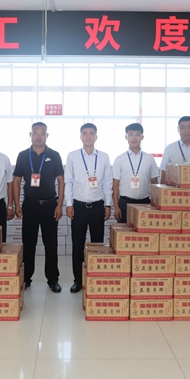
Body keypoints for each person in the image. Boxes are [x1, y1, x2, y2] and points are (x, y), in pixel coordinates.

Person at [13, 122, 65, 293]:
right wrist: (17, 204)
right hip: (30, 205)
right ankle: (26, 278)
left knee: (51, 244)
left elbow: (61, 181)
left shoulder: (54, 155)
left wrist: (59, 205)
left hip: (50, 205)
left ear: (47, 136)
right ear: (30, 135)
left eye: (42, 133)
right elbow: (16, 181)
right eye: (35, 132)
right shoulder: (22, 155)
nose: (39, 136)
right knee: (29, 244)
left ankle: (53, 279)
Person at [65, 123, 113, 293]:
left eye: (91, 133)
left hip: (98, 207)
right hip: (78, 207)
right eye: (85, 133)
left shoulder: (104, 157)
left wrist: (108, 204)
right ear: (80, 137)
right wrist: (69, 204)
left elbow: (108, 182)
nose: (88, 136)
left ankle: (96, 277)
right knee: (77, 245)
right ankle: (78, 280)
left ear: (96, 137)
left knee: (97, 245)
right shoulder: (73, 156)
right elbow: (68, 182)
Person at [112, 123, 159, 224]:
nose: (134, 138)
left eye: (137, 135)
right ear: (126, 137)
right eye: (130, 135)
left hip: (145, 203)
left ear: (142, 137)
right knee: (124, 232)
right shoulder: (119, 159)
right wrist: (116, 207)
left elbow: (154, 182)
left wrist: (156, 204)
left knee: (144, 231)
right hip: (125, 203)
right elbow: (115, 184)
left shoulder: (150, 159)